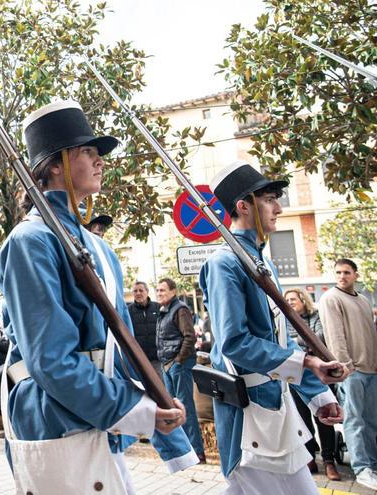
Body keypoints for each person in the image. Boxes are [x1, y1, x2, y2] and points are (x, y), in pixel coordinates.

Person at [0, 100, 197, 494]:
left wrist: (158, 417)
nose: (100, 161)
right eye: (87, 151)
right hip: (55, 419)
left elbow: (121, 348)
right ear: (55, 164)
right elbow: (49, 360)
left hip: (100, 419)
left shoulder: (98, 247)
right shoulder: (29, 240)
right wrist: (134, 410)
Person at [200, 162, 346, 493]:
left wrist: (316, 394)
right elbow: (234, 344)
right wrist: (308, 363)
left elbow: (280, 343)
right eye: (269, 199)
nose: (278, 208)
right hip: (250, 424)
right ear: (243, 206)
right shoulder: (224, 263)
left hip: (275, 412)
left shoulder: (261, 262)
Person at [319, 258, 377, 490]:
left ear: (356, 275)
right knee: (355, 420)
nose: (342, 276)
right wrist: (346, 368)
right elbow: (335, 336)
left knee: (372, 421)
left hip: (372, 369)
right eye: (338, 272)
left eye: (346, 272)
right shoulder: (331, 298)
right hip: (352, 371)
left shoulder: (363, 300)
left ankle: (372, 465)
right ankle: (362, 469)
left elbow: (370, 335)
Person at [284, 288, 342, 480]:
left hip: (318, 374)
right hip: (295, 375)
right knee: (302, 418)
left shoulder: (315, 316)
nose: (290, 302)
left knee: (324, 419)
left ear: (303, 300)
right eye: (287, 300)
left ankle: (328, 461)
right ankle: (310, 458)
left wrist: (298, 346)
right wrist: (304, 346)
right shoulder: (285, 320)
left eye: (293, 299)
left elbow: (319, 338)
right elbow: (284, 344)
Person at [155, 278, 206, 464]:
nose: (159, 293)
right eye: (158, 290)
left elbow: (189, 336)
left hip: (178, 364)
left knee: (186, 407)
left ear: (173, 292)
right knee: (173, 407)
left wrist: (178, 360)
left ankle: (197, 451)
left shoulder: (180, 309)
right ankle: (184, 451)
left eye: (163, 290)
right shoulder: (163, 312)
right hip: (167, 363)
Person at [128, 281, 162, 378]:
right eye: (135, 291)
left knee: (161, 387)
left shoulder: (158, 308)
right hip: (138, 359)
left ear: (147, 291)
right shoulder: (128, 311)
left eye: (141, 290)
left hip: (157, 358)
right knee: (143, 387)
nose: (138, 293)